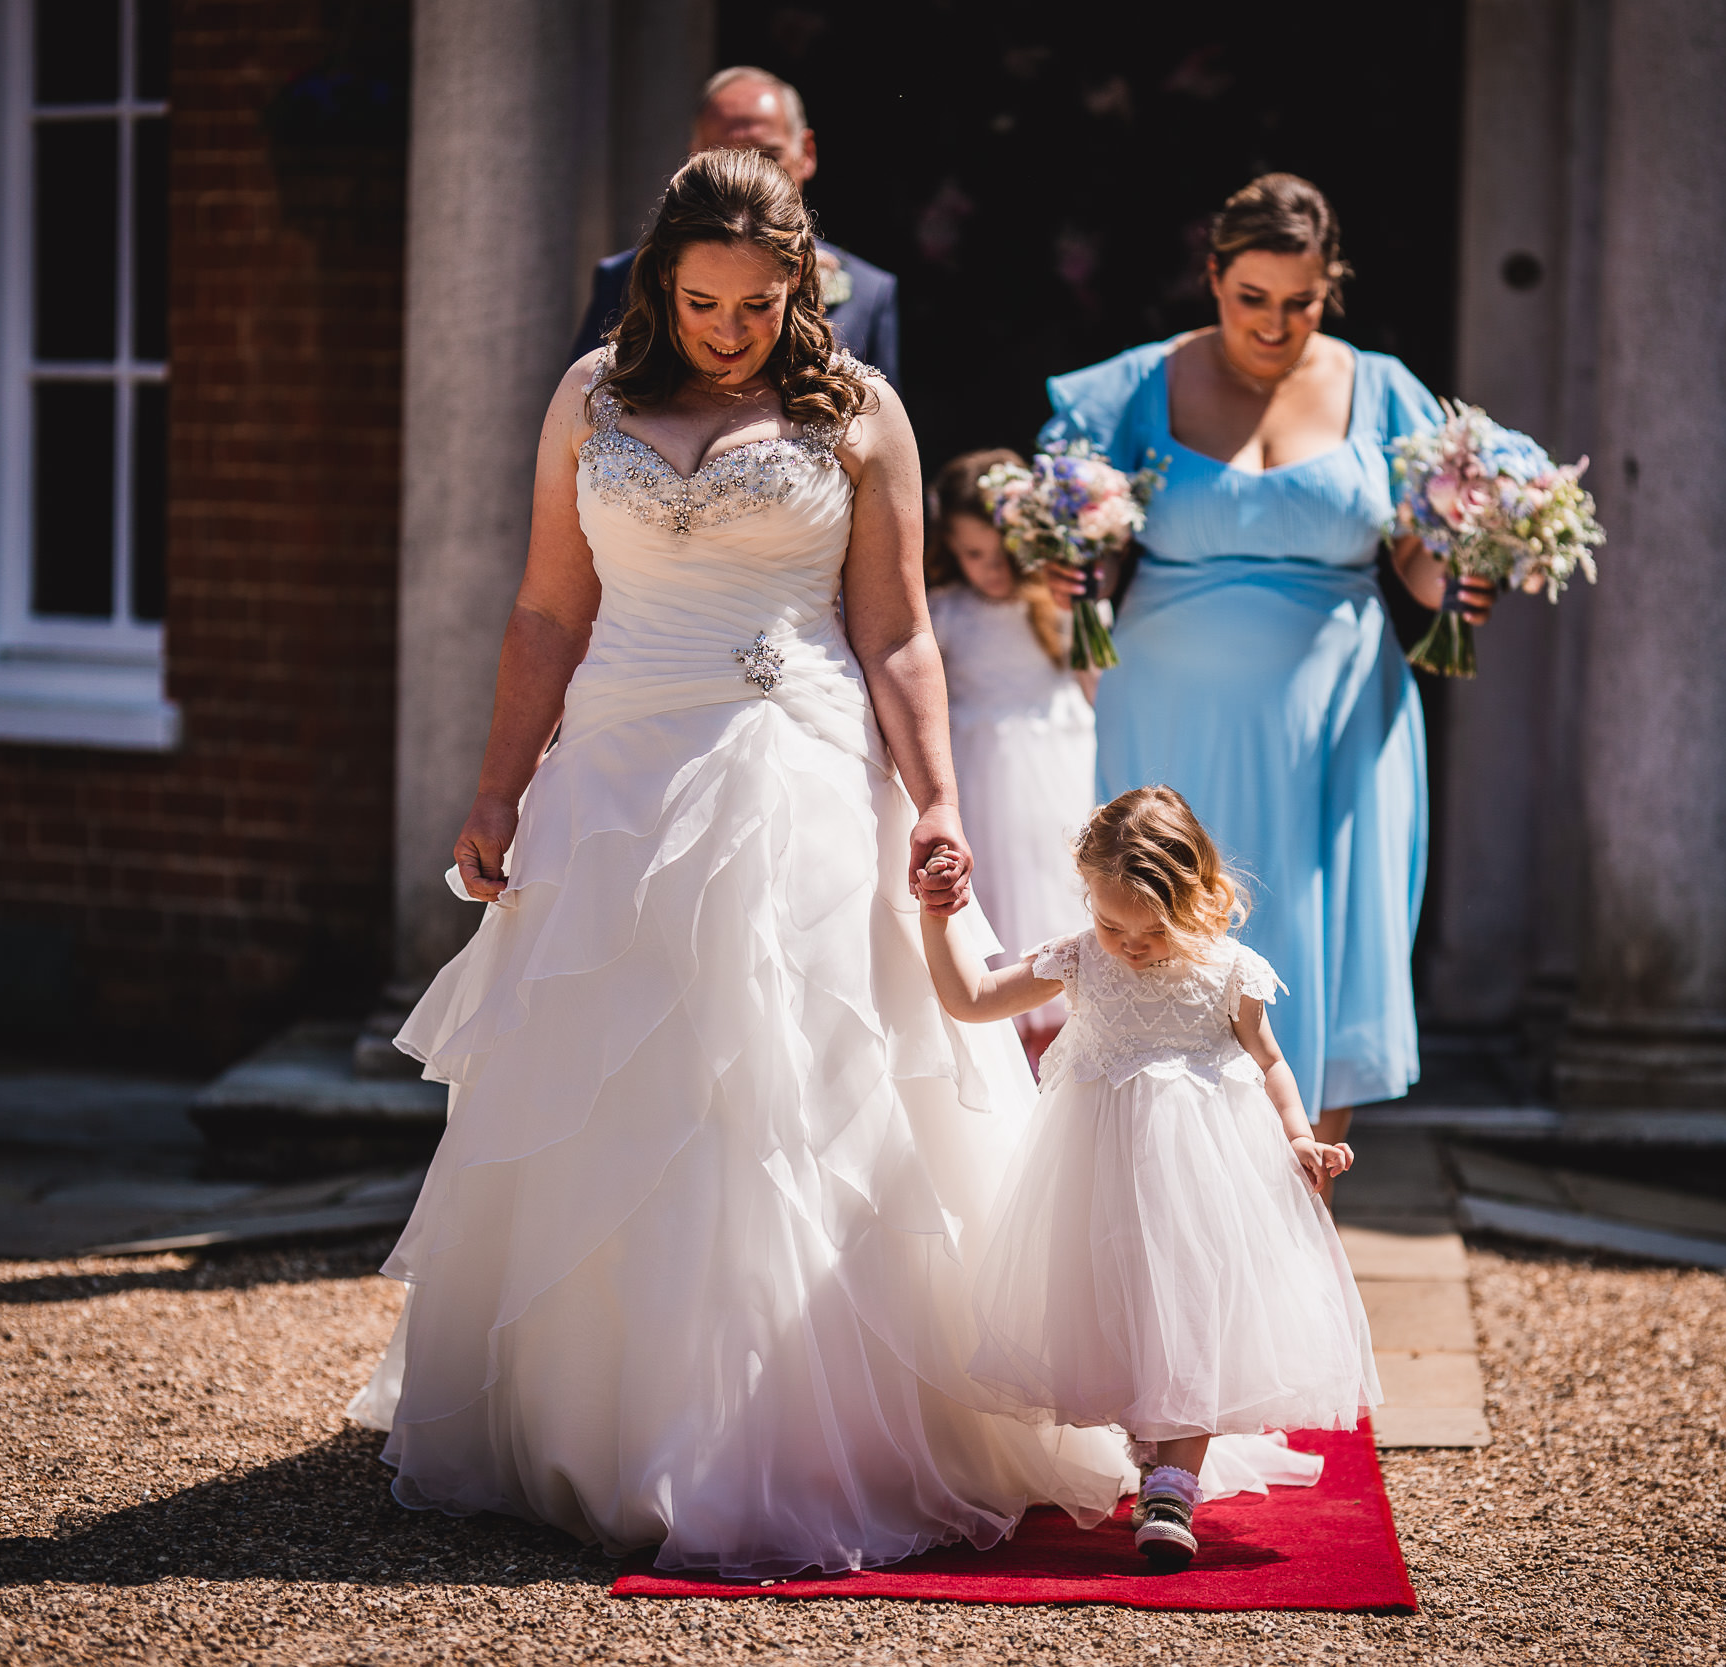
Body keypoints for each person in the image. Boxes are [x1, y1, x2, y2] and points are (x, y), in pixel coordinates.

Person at [344, 147, 1135, 1578]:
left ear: (800, 286)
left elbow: (896, 631)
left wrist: (941, 803)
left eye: (759, 304)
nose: (729, 328)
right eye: (704, 300)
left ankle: (791, 1427)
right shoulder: (588, 398)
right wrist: (495, 790)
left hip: (799, 754)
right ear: (661, 281)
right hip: (618, 763)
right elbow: (542, 613)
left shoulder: (860, 414)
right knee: (619, 1075)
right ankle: (604, 1418)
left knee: (784, 1070)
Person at [1039, 174, 1491, 1140]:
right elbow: (1087, 540)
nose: (1276, 325)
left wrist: (1461, 575)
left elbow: (1415, 559)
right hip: (1170, 710)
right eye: (1252, 298)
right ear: (1212, 277)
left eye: (1302, 303)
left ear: (1330, 289)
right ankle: (1156, 1167)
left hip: (1337, 713)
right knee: (1163, 923)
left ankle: (1304, 1191)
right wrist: (1070, 565)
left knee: (1320, 933)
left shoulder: (1383, 389)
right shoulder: (1135, 386)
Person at [916, 786, 1378, 1570]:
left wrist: (1299, 1137)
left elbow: (1268, 1060)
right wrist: (938, 918)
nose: (1128, 945)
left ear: (1198, 896)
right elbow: (971, 998)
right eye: (1109, 923)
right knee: (1122, 1303)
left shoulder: (1228, 969)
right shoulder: (1080, 957)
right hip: (1098, 1172)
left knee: (1193, 1299)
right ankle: (1146, 1444)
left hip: (1205, 1173)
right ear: (1087, 897)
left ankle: (1172, 1482)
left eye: (1151, 930)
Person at [923, 447, 1097, 1064]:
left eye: (1002, 555)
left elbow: (1096, 681)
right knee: (996, 879)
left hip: (1057, 759)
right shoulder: (945, 610)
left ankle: (1062, 1027)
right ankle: (999, 1023)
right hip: (979, 763)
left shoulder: (1056, 605)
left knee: (1056, 873)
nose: (991, 570)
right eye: (974, 555)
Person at [570, 66, 899, 384]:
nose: (745, 174)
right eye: (721, 156)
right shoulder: (621, 278)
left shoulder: (871, 291)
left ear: (807, 153)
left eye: (767, 157)